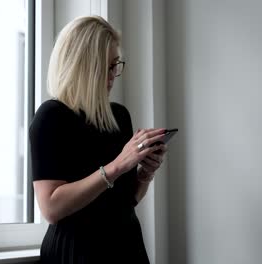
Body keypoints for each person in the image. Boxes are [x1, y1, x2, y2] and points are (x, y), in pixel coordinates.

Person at [29, 15, 168, 264]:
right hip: (76, 252)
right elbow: (51, 208)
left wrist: (144, 174)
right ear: (83, 67)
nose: (115, 74)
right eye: (108, 66)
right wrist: (118, 165)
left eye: (117, 64)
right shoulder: (51, 117)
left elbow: (127, 201)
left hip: (126, 246)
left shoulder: (119, 116)